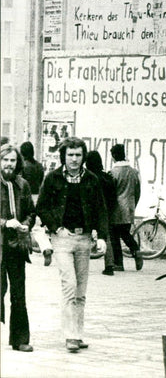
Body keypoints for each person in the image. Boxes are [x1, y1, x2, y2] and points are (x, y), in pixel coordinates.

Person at [35, 137, 108, 353]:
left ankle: (78, 332)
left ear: (83, 156)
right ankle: (70, 336)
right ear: (64, 157)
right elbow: (42, 207)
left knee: (81, 290)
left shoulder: (92, 179)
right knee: (69, 285)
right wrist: (57, 227)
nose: (74, 159)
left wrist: (102, 236)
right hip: (62, 239)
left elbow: (101, 210)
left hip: (84, 239)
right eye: (70, 155)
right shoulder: (53, 178)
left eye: (78, 155)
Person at [0, 143, 35, 352]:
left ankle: (20, 339)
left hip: (16, 246)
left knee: (18, 293)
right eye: (5, 160)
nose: (9, 164)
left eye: (12, 160)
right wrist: (5, 222)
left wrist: (26, 224)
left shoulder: (23, 184)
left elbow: (31, 211)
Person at [108, 144, 143, 272]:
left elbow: (110, 193)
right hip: (130, 207)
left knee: (114, 236)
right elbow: (138, 191)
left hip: (116, 209)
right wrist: (133, 204)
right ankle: (136, 251)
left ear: (114, 157)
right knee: (125, 233)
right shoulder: (134, 172)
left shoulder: (113, 173)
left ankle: (119, 263)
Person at [85, 151, 118, 276]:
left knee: (84, 235)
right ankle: (109, 265)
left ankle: (81, 263)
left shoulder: (88, 177)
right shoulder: (107, 177)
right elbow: (114, 196)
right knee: (106, 236)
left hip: (90, 210)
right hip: (106, 211)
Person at [19, 141, 52, 266]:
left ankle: (25, 249)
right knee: (38, 227)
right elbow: (41, 180)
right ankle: (45, 247)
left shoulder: (23, 166)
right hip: (38, 195)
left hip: (25, 196)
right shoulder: (39, 165)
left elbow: (20, 183)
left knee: (25, 223)